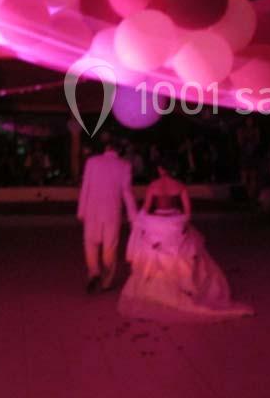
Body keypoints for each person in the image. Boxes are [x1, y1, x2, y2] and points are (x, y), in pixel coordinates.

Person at [118, 155, 253, 322]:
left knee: (153, 253)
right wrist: (180, 223)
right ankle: (182, 287)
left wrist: (141, 222)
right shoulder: (180, 186)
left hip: (157, 223)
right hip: (175, 222)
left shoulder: (153, 185)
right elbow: (187, 212)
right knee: (185, 254)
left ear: (161, 169)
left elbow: (146, 208)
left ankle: (156, 290)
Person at [77, 136, 138, 294]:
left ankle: (94, 272)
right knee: (110, 247)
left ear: (106, 148)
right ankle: (106, 281)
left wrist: (81, 210)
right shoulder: (124, 165)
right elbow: (127, 193)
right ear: (119, 150)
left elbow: (86, 187)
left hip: (92, 210)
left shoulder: (92, 162)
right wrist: (133, 217)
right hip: (112, 212)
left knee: (90, 244)